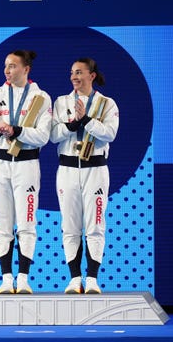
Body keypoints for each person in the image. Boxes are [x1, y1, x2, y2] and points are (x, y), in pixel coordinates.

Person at [0, 50, 52, 294]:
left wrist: (17, 131)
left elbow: (43, 136)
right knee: (2, 223)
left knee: (27, 222)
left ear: (26, 69)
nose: (7, 70)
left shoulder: (41, 97)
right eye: (6, 66)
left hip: (26, 165)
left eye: (13, 66)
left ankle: (24, 278)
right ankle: (6, 278)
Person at [50, 57, 119, 294]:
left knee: (95, 224)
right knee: (70, 226)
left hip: (96, 170)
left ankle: (92, 278)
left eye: (79, 72)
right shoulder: (61, 102)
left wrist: (87, 120)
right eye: (71, 73)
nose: (74, 77)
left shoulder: (107, 104)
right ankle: (74, 278)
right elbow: (53, 135)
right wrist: (72, 123)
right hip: (68, 170)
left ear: (92, 75)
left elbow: (109, 134)